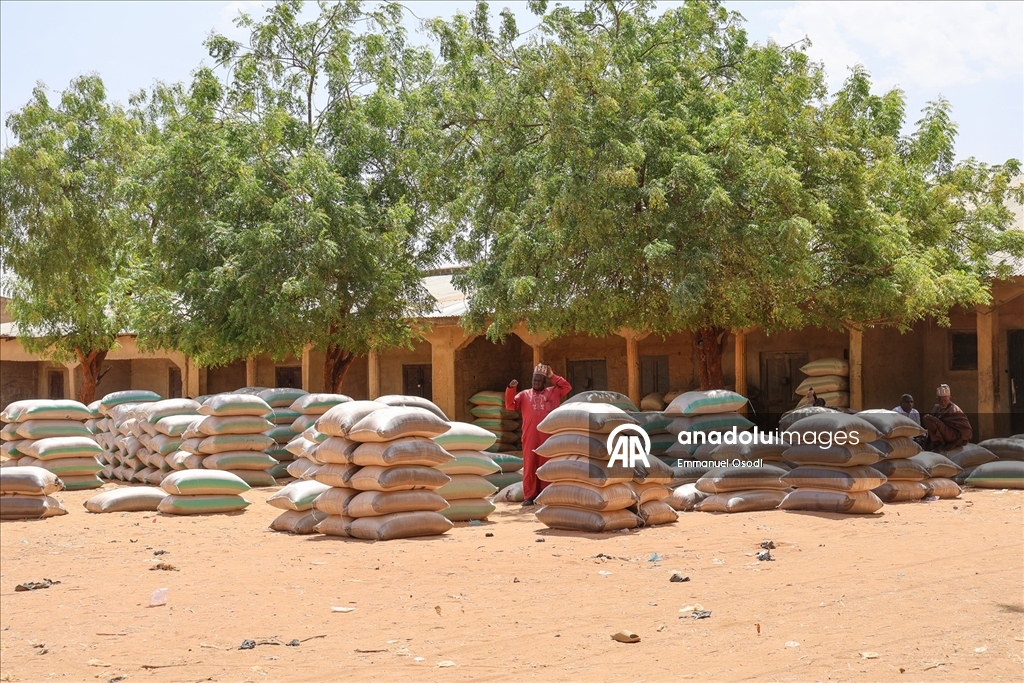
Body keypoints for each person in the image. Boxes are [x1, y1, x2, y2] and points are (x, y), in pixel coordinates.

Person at [505, 363, 572, 506]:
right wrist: (511, 389)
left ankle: (545, 493)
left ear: (544, 381)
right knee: (529, 465)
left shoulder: (553, 392)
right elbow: (510, 405)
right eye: (534, 380)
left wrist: (552, 376)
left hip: (548, 435)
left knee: (546, 464)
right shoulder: (524, 395)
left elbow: (567, 387)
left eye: (539, 380)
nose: (536, 383)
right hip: (530, 435)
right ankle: (529, 496)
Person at [921, 384, 972, 451]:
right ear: (937, 399)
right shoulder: (936, 408)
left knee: (927, 418)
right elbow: (933, 427)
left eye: (945, 400)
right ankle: (938, 442)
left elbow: (967, 431)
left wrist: (953, 444)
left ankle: (941, 443)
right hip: (942, 435)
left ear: (950, 398)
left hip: (953, 437)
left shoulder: (955, 410)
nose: (943, 402)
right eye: (940, 400)